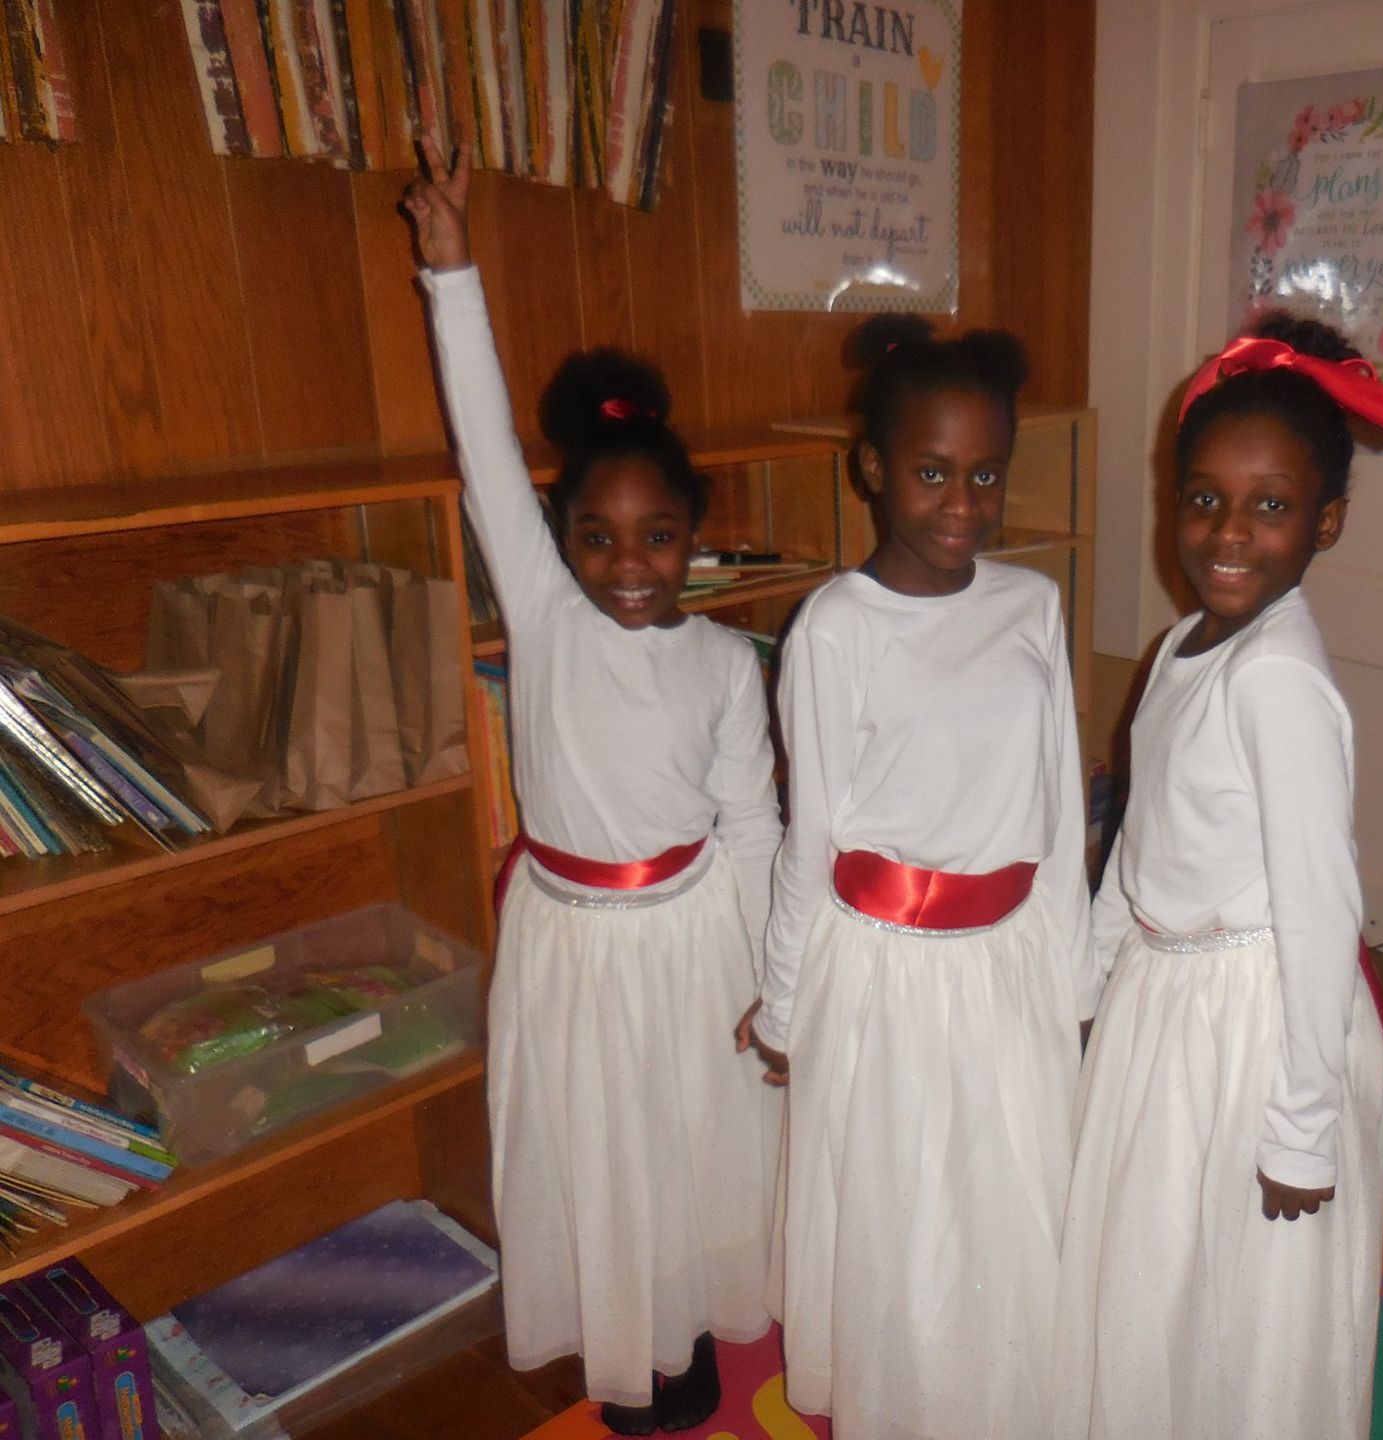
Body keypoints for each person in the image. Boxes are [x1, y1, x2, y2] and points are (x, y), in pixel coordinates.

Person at [404, 139, 780, 1436]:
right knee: (600, 1160)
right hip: (566, 946)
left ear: (696, 533)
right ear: (559, 545)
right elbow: (487, 458)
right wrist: (452, 272)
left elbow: (754, 827)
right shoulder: (549, 620)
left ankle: (688, 1358)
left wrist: (777, 986)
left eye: (658, 536)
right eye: (598, 537)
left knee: (689, 1153)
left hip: (689, 946)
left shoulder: (730, 663)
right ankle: (632, 1371)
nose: (630, 564)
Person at [1052, 314, 1383, 1440]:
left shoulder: (1280, 684)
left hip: (1252, 1029)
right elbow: (1142, 835)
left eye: (1271, 506)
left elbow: (1322, 917)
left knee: (1243, 1301)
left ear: (1328, 520)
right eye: (1203, 496)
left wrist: (1302, 1127)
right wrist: (1086, 979)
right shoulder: (1179, 647)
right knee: (1155, 1265)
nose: (1228, 532)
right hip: (1164, 1005)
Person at [738, 314, 1096, 1440]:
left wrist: (1077, 986)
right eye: (934, 473)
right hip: (883, 973)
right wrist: (786, 1006)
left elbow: (1061, 811)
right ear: (876, 470)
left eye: (986, 475)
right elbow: (810, 838)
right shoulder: (834, 629)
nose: (963, 504)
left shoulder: (1030, 606)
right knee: (901, 1204)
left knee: (1002, 1194)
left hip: (1009, 961)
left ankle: (994, 1390)